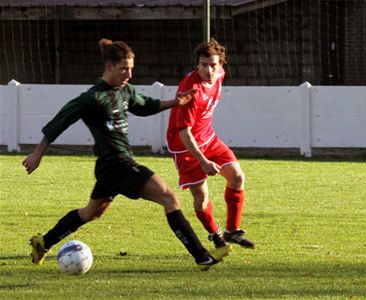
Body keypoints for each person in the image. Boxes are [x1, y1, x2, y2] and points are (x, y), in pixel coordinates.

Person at [22, 38, 231, 271]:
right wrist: (38, 153)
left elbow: (144, 105)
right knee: (169, 198)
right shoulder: (92, 98)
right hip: (117, 163)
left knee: (90, 212)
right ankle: (201, 256)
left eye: (131, 68)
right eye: (124, 69)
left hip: (110, 168)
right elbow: (60, 122)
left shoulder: (125, 91)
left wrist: (175, 102)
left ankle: (44, 242)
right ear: (109, 67)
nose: (129, 74)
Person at [166, 39, 256, 249]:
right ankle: (215, 235)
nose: (208, 69)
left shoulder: (219, 76)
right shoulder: (192, 91)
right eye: (203, 64)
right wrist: (204, 161)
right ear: (197, 65)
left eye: (213, 65)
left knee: (237, 177)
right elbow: (184, 132)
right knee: (202, 198)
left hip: (209, 138)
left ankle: (232, 231)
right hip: (185, 147)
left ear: (221, 65)